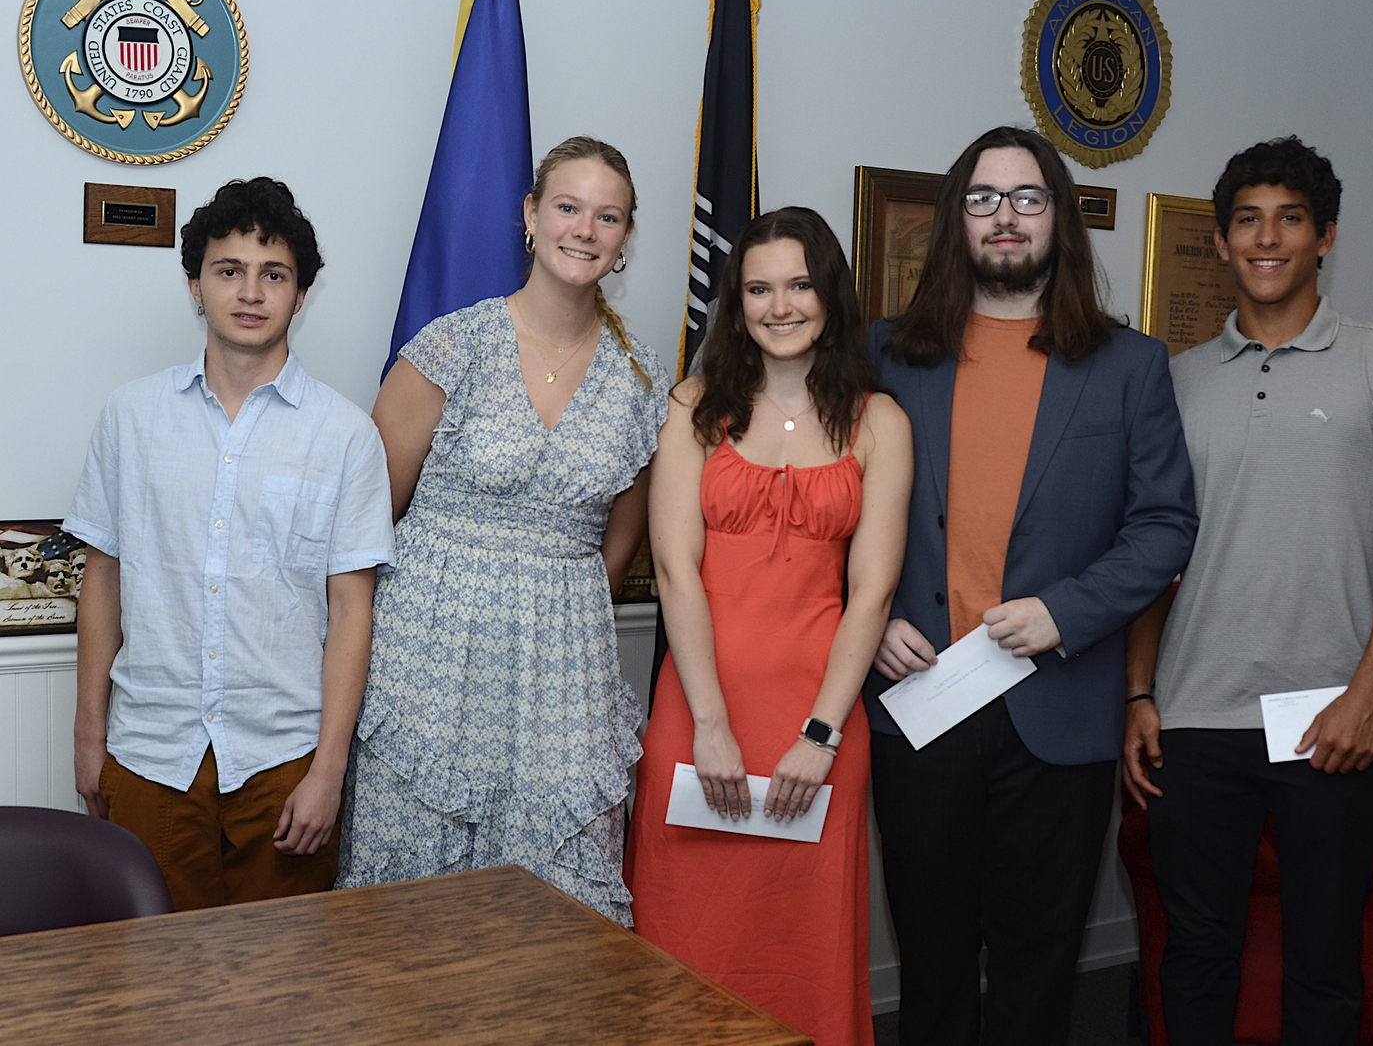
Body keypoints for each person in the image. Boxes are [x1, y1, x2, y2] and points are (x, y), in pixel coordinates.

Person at [1123, 137, 1373, 1046]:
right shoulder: (1178, 381)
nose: (1266, 238)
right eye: (1247, 220)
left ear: (1324, 238)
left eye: (1288, 219)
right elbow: (1155, 552)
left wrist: (1369, 695)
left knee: (1324, 959)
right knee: (1195, 955)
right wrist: (1139, 690)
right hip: (1197, 719)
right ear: (1223, 240)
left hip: (1336, 719)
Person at [862, 126, 1198, 1046]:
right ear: (953, 222)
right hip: (918, 699)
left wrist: (1067, 610)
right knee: (929, 968)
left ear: (1060, 218)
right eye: (982, 198)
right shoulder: (884, 353)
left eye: (1026, 197)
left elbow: (1165, 523)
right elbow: (827, 506)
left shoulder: (1130, 367)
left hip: (1059, 713)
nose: (1003, 217)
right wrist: (876, 618)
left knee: (1037, 972)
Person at [335, 136, 669, 925]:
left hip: (563, 678)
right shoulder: (450, 347)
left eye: (608, 216)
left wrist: (542, 601)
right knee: (410, 914)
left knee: (559, 917)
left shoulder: (643, 381)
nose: (584, 230)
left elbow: (615, 548)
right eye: (567, 207)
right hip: (428, 665)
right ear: (530, 215)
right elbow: (365, 523)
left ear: (625, 238)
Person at [625, 206, 913, 1046]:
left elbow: (873, 593)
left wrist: (820, 733)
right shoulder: (692, 407)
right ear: (736, 302)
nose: (780, 305)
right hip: (700, 711)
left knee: (805, 945)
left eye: (799, 284)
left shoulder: (880, 423)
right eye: (759, 287)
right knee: (686, 936)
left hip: (818, 720)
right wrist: (708, 726)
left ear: (830, 294)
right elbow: (676, 568)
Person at [67, 178, 395, 911]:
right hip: (150, 751)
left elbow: (351, 612)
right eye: (229, 270)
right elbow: (102, 582)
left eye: (273, 273)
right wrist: (90, 738)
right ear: (195, 284)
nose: (251, 292)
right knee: (155, 987)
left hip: (284, 760)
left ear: (300, 295)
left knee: (281, 989)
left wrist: (329, 772)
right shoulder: (130, 417)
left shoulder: (345, 436)